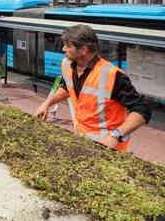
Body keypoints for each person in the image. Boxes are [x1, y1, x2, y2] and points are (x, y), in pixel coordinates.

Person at [34, 24, 151, 152]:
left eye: (68, 46)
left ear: (83, 50)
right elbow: (68, 87)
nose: (63, 49)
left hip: (109, 148)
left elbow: (142, 109)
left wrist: (115, 135)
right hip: (82, 141)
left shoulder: (112, 75)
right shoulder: (66, 64)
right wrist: (47, 103)